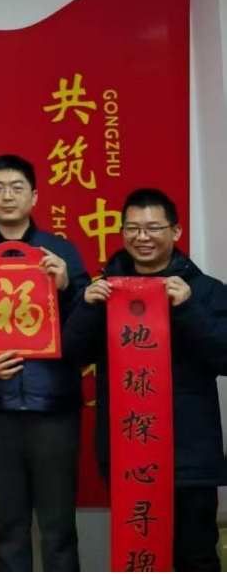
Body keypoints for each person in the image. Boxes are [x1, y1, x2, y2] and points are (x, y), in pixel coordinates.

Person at [64, 188, 227, 571]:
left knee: (195, 555)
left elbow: (223, 357)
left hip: (189, 457)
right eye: (133, 228)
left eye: (153, 227)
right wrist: (87, 308)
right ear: (122, 232)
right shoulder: (105, 291)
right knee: (138, 553)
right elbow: (71, 355)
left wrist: (188, 308)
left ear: (176, 231)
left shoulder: (206, 291)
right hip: (130, 453)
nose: (142, 237)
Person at [0, 155, 89, 571]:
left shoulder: (61, 251)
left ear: (34, 196)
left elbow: (88, 329)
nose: (7, 196)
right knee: (8, 523)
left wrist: (68, 287)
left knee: (58, 524)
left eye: (17, 187)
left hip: (55, 405)